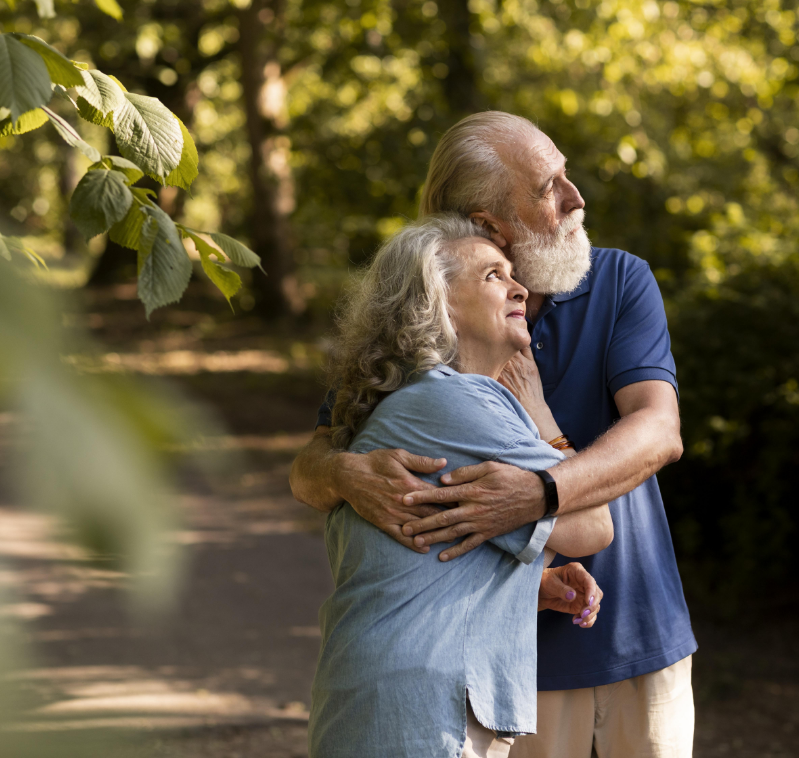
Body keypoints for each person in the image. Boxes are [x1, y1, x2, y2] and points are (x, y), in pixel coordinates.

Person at [291, 112, 696, 758]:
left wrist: (537, 494)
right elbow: (316, 461)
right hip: (504, 662)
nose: (575, 197)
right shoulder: (424, 335)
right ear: (487, 224)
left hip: (636, 631)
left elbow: (659, 432)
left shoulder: (618, 282)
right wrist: (342, 474)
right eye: (548, 186)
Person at [309, 214, 613, 758]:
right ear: (438, 300)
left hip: (391, 707)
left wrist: (523, 586)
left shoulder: (411, 404)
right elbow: (594, 525)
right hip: (424, 716)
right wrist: (543, 418)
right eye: (494, 275)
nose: (521, 287)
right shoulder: (457, 402)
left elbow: (420, 567)